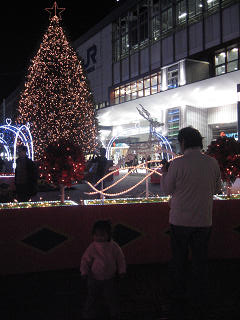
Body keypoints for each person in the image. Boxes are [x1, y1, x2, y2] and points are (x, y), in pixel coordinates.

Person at [160, 127, 221, 317]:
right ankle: (200, 297)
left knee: (179, 259)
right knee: (200, 260)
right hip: (204, 220)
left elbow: (167, 190)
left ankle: (178, 296)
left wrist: (164, 173)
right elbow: (217, 188)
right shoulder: (212, 163)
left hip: (180, 220)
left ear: (183, 142)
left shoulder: (177, 164)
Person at [80, 220, 126, 320]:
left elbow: (120, 259)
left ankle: (114, 312)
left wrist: (122, 270)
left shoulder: (114, 246)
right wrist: (84, 272)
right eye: (96, 235)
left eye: (102, 235)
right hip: (94, 278)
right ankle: (88, 313)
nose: (99, 237)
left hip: (110, 278)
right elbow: (85, 260)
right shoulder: (92, 247)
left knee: (111, 296)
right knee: (92, 296)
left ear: (109, 235)